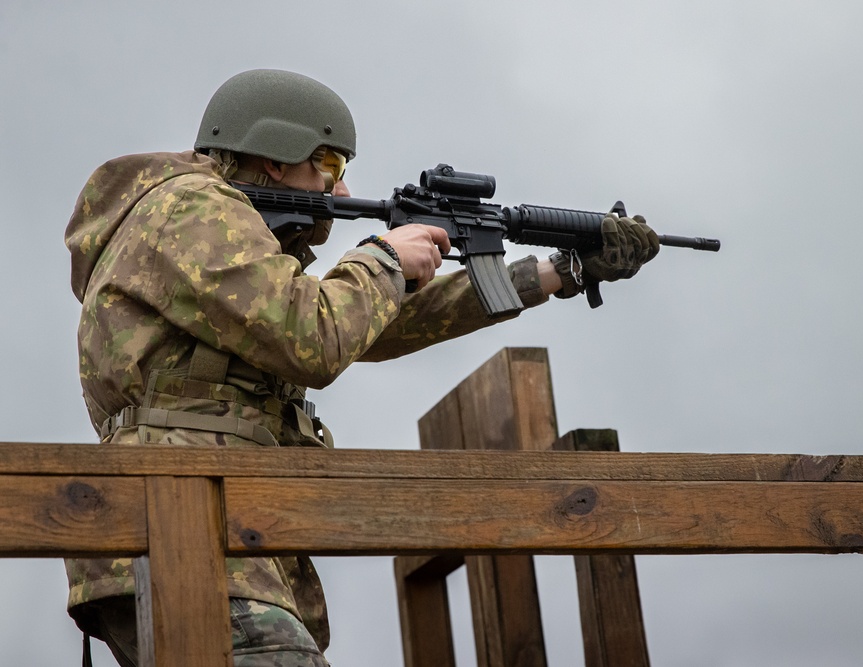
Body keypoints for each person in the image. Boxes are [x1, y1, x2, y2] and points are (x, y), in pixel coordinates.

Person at [64, 68, 659, 666]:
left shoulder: (197, 225)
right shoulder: (192, 208)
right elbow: (312, 336)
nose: (340, 191)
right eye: (329, 165)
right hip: (182, 517)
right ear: (276, 157)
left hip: (207, 521)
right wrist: (383, 258)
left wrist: (558, 273)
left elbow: (365, 325)